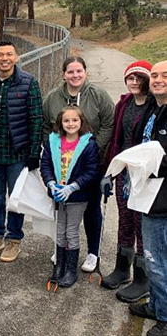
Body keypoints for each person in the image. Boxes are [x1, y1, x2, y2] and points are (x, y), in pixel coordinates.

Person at [42, 56, 115, 273]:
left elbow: (108, 124)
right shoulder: (53, 98)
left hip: (89, 162)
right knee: (62, 211)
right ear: (64, 74)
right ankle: (62, 247)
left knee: (91, 209)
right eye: (70, 72)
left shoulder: (98, 95)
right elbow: (47, 125)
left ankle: (93, 251)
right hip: (61, 163)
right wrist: (50, 150)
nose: (75, 75)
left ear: (85, 72)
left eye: (79, 71)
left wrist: (91, 149)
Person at [0, 40, 43, 262]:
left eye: (9, 54)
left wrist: (35, 151)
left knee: (15, 199)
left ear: (17, 57)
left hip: (17, 153)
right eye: (0, 55)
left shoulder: (28, 82)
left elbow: (36, 119)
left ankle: (14, 239)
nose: (4, 58)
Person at [102, 60, 153, 302]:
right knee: (125, 220)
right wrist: (109, 172)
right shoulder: (124, 104)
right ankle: (122, 268)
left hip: (144, 175)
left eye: (139, 78)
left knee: (141, 222)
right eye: (130, 78)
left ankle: (142, 278)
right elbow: (116, 138)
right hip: (124, 172)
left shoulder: (155, 107)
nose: (134, 82)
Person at [128, 60, 167, 336]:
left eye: (165, 75)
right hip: (148, 194)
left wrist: (149, 164)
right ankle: (156, 305)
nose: (157, 79)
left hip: (163, 198)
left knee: (158, 260)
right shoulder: (155, 108)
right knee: (154, 257)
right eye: (154, 75)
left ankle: (165, 317)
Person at [41, 105, 100, 288]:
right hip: (58, 194)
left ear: (81, 122)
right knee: (60, 229)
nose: (70, 124)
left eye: (75, 120)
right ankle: (60, 264)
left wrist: (73, 187)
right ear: (60, 122)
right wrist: (51, 182)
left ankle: (71, 269)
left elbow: (91, 171)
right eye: (66, 120)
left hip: (77, 196)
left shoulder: (89, 144)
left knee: (72, 231)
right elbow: (46, 165)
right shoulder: (53, 142)